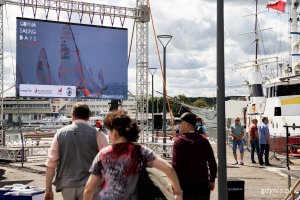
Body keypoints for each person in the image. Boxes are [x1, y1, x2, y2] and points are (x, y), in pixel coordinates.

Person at [84, 110, 182, 200]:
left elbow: (89, 189)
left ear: (115, 132)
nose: (109, 134)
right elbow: (169, 169)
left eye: (110, 130)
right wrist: (178, 193)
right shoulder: (140, 151)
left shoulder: (103, 154)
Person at [44, 103, 108, 200]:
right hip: (91, 185)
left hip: (67, 185)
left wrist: (48, 189)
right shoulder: (97, 133)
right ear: (88, 117)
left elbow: (51, 163)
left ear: (73, 115)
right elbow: (108, 160)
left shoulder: (60, 134)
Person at [172, 112, 217, 200]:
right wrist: (212, 180)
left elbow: (176, 166)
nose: (179, 125)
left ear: (186, 124)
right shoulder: (203, 140)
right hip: (202, 185)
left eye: (180, 123)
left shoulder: (179, 142)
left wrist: (175, 185)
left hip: (185, 186)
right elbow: (212, 161)